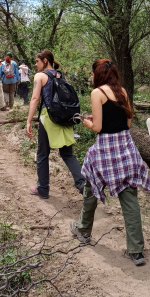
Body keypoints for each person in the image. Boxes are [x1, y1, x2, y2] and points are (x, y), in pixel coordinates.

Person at [69, 59, 150, 266]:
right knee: (129, 198)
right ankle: (136, 251)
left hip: (106, 149)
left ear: (97, 75)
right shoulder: (122, 92)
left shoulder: (97, 93)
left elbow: (98, 127)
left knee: (91, 186)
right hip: (125, 148)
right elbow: (128, 121)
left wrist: (86, 121)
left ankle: (83, 230)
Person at [26, 49, 85, 198]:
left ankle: (43, 188)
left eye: (37, 61)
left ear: (45, 60)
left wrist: (28, 121)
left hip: (49, 118)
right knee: (67, 154)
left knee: (42, 154)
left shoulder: (39, 76)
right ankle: (83, 185)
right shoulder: (61, 75)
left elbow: (35, 99)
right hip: (64, 117)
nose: (35, 64)